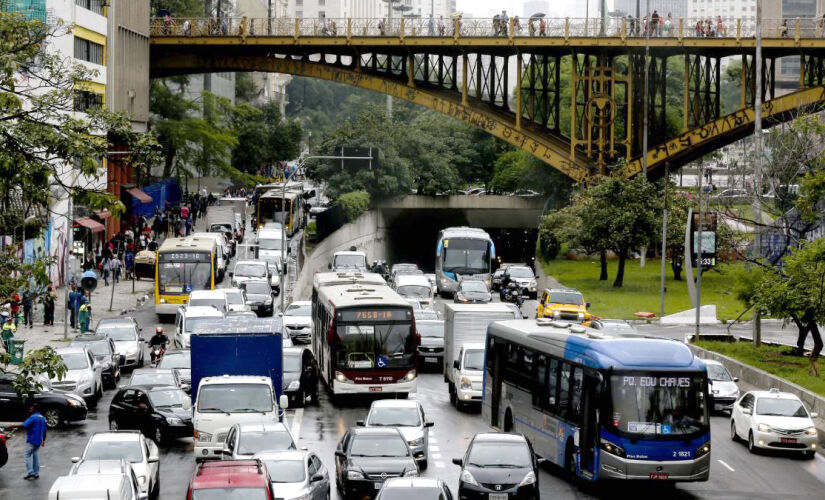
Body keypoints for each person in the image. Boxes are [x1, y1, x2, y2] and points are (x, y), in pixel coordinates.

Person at [7, 404, 47, 480]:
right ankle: (36, 473)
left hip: (31, 440)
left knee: (27, 456)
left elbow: (24, 425)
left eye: (31, 408)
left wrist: (12, 425)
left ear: (35, 409)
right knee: (35, 456)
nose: (30, 409)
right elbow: (45, 430)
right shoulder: (43, 418)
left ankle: (30, 472)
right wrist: (44, 440)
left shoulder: (33, 417)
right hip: (38, 440)